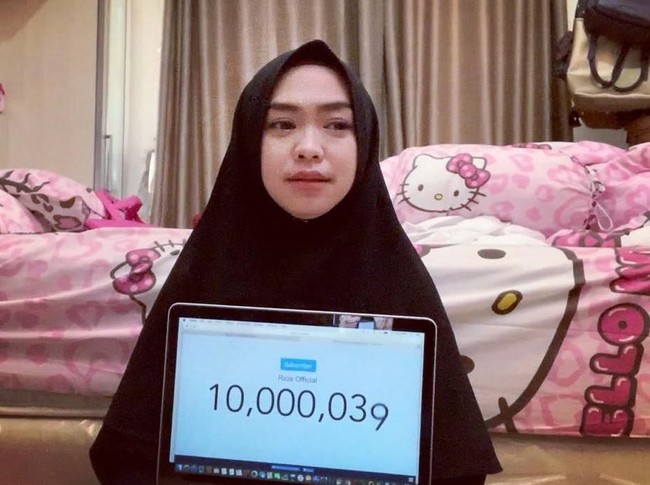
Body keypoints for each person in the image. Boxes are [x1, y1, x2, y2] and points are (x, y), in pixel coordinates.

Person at [89, 39, 501, 484]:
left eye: (337, 124)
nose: (308, 148)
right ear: (249, 138)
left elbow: (455, 469)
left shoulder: (401, 283)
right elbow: (128, 456)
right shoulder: (202, 276)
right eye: (282, 124)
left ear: (364, 141)